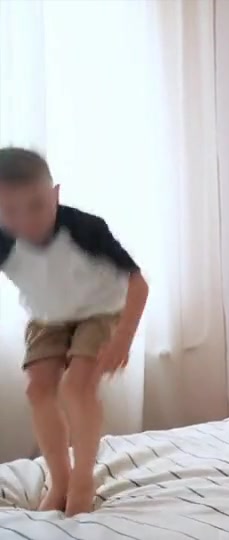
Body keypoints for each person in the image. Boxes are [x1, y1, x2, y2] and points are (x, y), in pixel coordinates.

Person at [0, 148, 149, 516]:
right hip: (48, 316)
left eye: (37, 206)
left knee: (76, 387)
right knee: (38, 389)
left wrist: (123, 338)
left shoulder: (85, 228)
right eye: (10, 211)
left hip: (100, 311)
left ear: (55, 195)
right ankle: (60, 479)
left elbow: (138, 283)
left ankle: (83, 478)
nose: (26, 221)